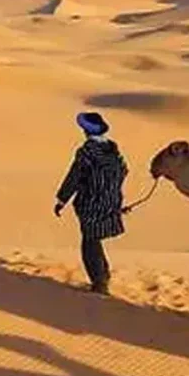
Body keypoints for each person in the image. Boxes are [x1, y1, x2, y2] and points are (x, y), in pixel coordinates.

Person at [54, 112, 128, 295]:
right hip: (111, 201)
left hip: (91, 202)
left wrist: (62, 199)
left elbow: (75, 176)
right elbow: (124, 171)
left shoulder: (87, 151)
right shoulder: (113, 151)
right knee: (94, 238)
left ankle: (99, 282)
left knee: (90, 241)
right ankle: (103, 274)